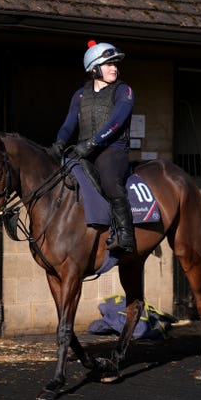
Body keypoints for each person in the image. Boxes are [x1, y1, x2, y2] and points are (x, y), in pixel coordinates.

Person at [49, 40, 135, 253]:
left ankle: (126, 235)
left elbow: (116, 122)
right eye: (108, 64)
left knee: (109, 181)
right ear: (94, 69)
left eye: (115, 64)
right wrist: (59, 142)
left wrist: (92, 143)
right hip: (84, 149)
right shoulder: (80, 95)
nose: (114, 68)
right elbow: (70, 123)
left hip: (113, 149)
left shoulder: (124, 90)